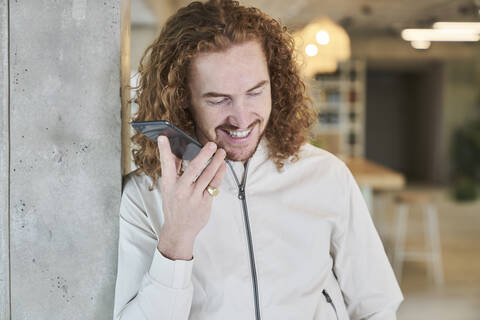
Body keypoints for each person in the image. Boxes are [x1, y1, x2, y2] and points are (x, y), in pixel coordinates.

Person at [113, 0, 403, 319]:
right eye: (219, 99)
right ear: (183, 96)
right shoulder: (145, 196)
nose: (241, 119)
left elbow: (376, 304)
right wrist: (176, 239)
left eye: (255, 92)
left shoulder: (326, 175)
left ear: (274, 81)